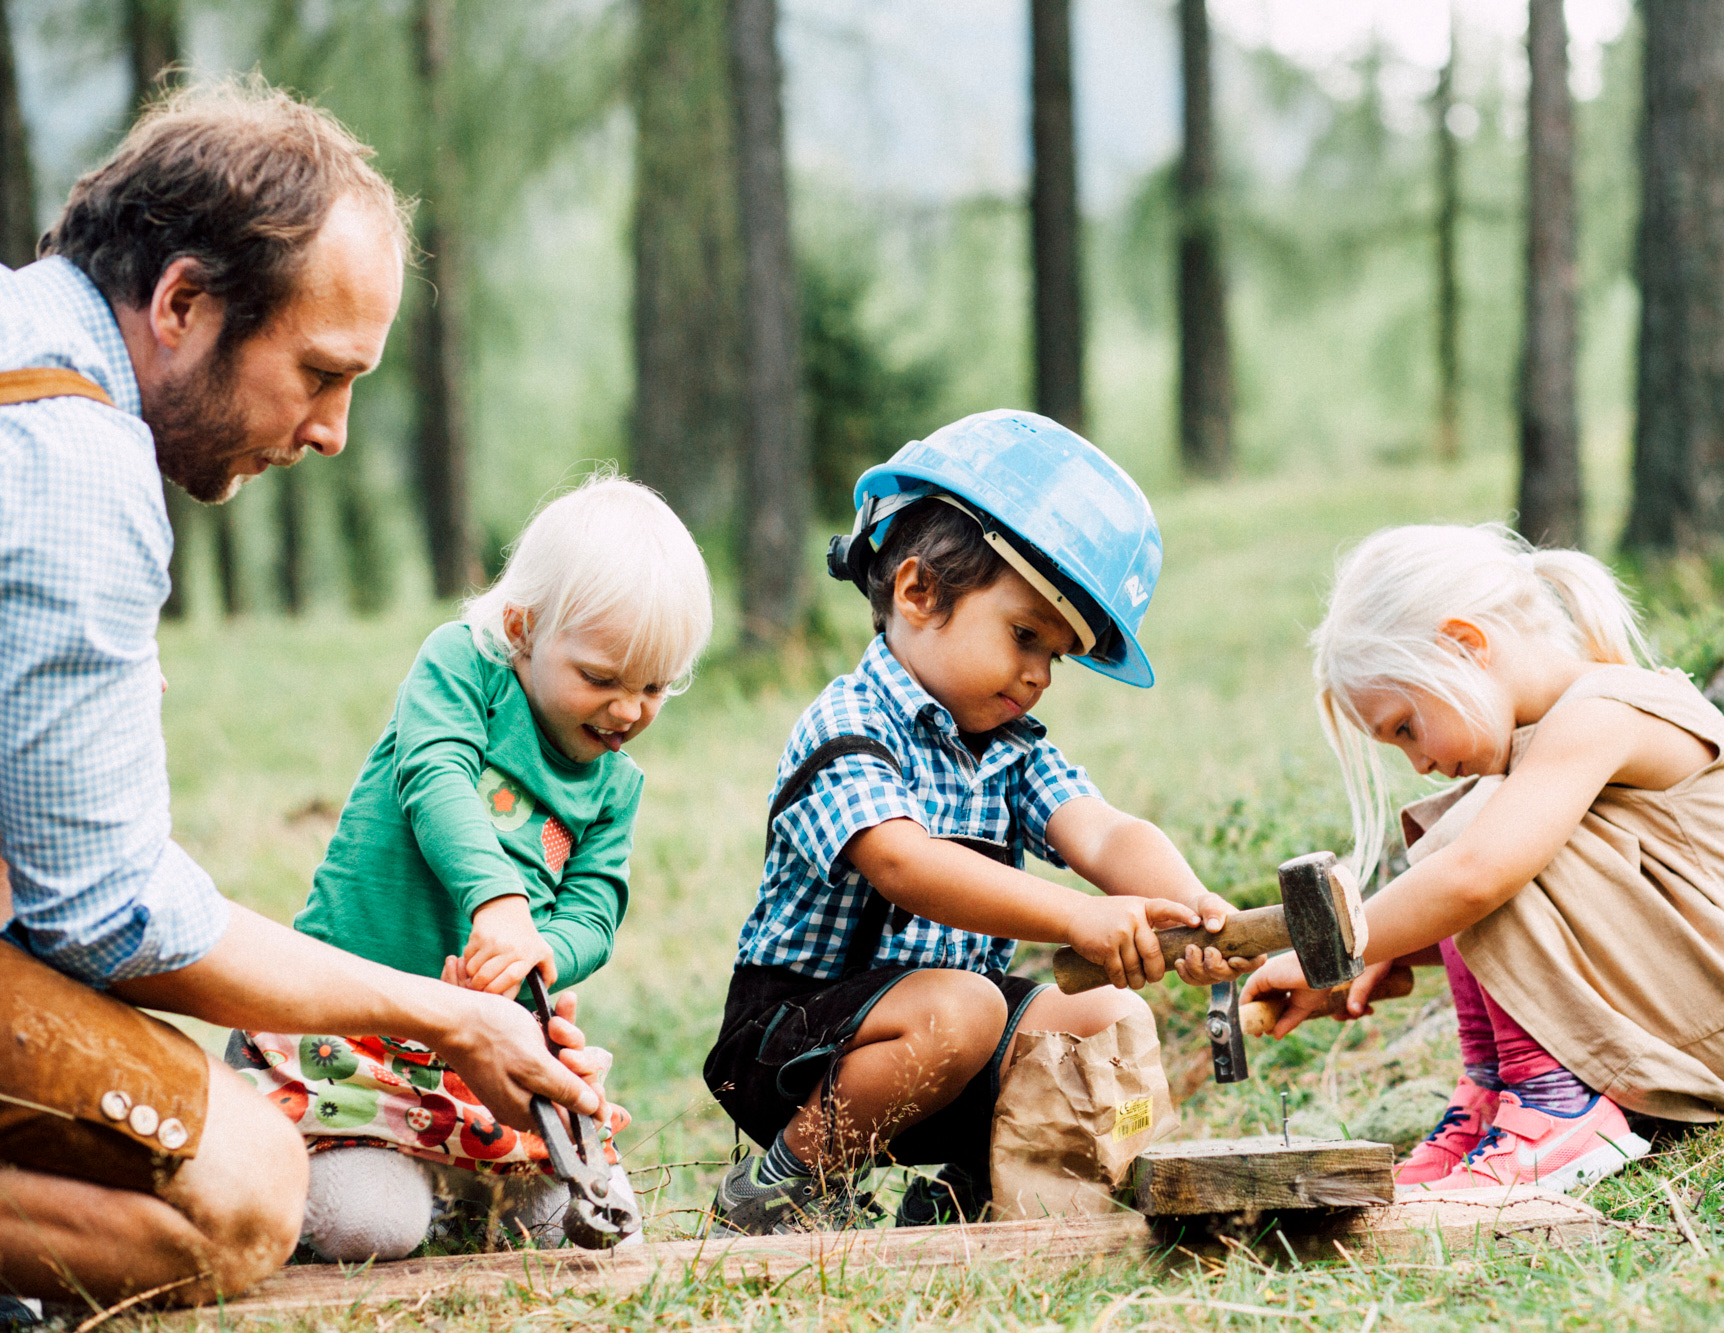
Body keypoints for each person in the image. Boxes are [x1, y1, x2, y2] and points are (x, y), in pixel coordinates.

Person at [0, 82, 601, 1309]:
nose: (330, 429)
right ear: (182, 303)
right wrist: (453, 1020)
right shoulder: (71, 466)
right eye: (318, 373)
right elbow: (108, 914)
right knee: (248, 1186)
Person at [704, 410, 1251, 1234]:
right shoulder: (847, 722)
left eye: (1056, 655)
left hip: (950, 1043)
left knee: (1110, 1017)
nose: (1039, 675)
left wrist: (1194, 906)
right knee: (964, 1008)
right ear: (919, 592)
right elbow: (904, 865)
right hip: (794, 1044)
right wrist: (1077, 915)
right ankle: (785, 1181)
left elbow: (1100, 833)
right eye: (1025, 635)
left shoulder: (1009, 746)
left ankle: (986, 1191)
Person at [1243, 523, 1724, 1192]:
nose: (1420, 760)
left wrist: (1336, 952)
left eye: (1406, 726)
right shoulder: (1550, 738)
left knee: (1473, 839)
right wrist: (1394, 950)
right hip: (1703, 1011)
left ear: (1465, 645)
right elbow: (1562, 918)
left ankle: (1553, 1102)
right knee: (1476, 827)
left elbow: (1478, 879)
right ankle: (1498, 1093)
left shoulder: (1598, 712)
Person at [232, 475, 712, 1260]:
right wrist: (499, 902)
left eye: (654, 687)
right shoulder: (463, 669)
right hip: (355, 1034)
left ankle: (465, 1192)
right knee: (371, 1227)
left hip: (486, 1053)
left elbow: (595, 908)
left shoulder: (615, 786)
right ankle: (326, 1164)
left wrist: (543, 948)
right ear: (522, 627)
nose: (628, 710)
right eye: (601, 679)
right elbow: (437, 775)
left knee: (591, 1226)